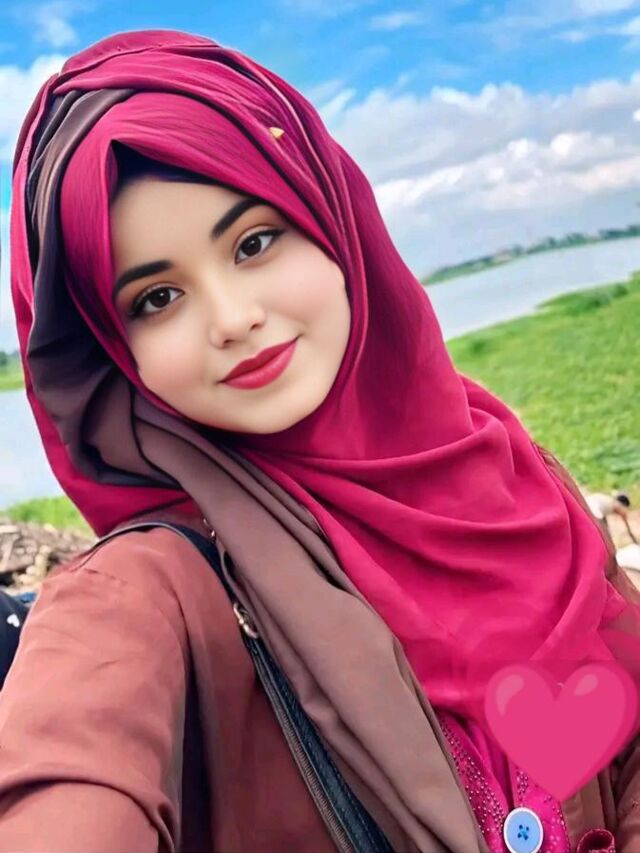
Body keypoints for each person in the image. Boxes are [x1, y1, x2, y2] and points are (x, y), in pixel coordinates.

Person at [1, 29, 640, 853]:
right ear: (114, 351)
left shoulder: (512, 474)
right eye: (157, 297)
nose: (234, 318)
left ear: (330, 219)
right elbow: (68, 772)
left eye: (254, 242)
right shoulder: (148, 595)